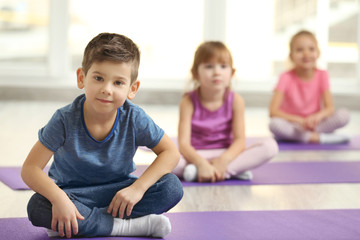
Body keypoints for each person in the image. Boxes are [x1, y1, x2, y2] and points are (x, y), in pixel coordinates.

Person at [21, 33, 183, 238]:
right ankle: (126, 227)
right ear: (82, 78)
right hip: (73, 195)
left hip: (118, 194)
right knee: (37, 206)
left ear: (132, 89)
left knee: (171, 187)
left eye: (118, 83)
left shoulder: (134, 117)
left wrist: (137, 189)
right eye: (99, 78)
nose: (107, 89)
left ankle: (77, 224)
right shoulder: (63, 119)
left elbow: (170, 153)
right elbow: (30, 168)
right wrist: (60, 200)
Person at [172, 41, 278, 183]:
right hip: (195, 155)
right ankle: (230, 171)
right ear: (196, 73)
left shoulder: (236, 100)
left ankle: (206, 172)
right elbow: (184, 144)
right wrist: (200, 163)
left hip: (225, 154)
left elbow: (240, 141)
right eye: (209, 66)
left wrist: (223, 161)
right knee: (168, 159)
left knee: (270, 147)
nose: (217, 72)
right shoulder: (188, 101)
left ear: (232, 73)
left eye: (223, 66)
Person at [269, 30, 350, 144]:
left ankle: (303, 136)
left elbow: (329, 108)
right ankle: (318, 138)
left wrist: (317, 117)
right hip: (294, 125)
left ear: (318, 53)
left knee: (344, 115)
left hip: (316, 124)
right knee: (274, 124)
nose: (306, 54)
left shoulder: (322, 75)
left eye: (311, 49)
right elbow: (273, 112)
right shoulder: (285, 77)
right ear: (291, 56)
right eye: (299, 50)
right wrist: (299, 120)